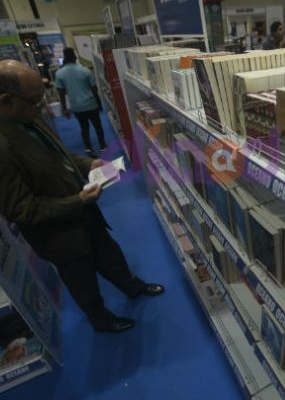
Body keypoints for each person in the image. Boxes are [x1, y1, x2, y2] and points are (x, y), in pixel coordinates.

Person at [0, 59, 164, 333]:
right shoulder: (3, 146)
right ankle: (101, 319)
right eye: (34, 100)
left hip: (84, 213)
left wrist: (89, 165)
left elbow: (58, 156)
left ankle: (132, 287)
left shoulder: (28, 117)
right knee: (81, 278)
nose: (41, 106)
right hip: (58, 234)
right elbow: (20, 209)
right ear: (6, 101)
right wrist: (78, 201)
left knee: (109, 253)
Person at [55, 48, 106, 158]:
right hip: (91, 104)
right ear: (75, 57)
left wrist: (64, 108)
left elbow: (61, 93)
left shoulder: (59, 74)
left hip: (76, 106)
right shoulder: (85, 70)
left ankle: (88, 148)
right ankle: (103, 146)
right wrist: (99, 103)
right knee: (98, 126)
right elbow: (94, 89)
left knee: (84, 127)